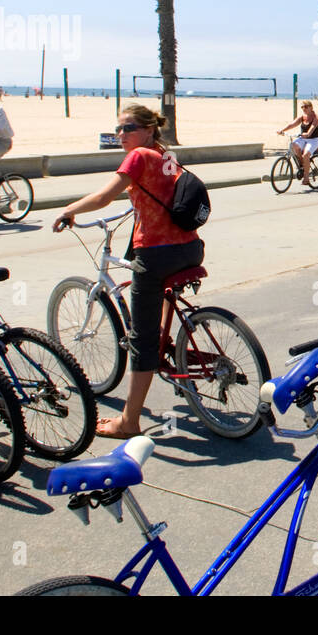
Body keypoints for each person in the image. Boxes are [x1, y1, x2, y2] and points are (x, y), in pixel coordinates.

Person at [53, 104, 203, 439]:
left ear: (148, 129)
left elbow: (103, 198)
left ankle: (129, 421)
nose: (121, 135)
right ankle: (167, 342)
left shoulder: (137, 157)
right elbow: (164, 195)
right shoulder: (166, 155)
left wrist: (69, 210)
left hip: (158, 254)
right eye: (118, 129)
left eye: (128, 128)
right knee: (158, 305)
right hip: (190, 248)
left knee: (141, 340)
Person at [278, 101, 318, 186]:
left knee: (306, 154)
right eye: (302, 107)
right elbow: (292, 124)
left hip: (314, 139)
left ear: (311, 107)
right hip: (303, 138)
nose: (303, 109)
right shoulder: (302, 117)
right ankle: (303, 165)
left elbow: (313, 127)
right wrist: (282, 130)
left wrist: (308, 133)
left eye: (306, 107)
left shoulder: (316, 116)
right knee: (293, 145)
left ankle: (306, 178)